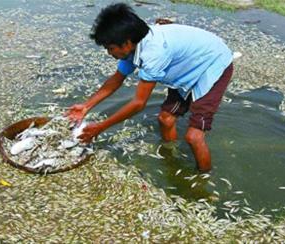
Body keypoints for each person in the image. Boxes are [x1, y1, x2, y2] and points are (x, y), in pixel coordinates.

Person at [66, 3, 234, 172]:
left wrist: (101, 127)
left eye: (110, 48)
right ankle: (171, 158)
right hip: (188, 67)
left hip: (213, 65)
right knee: (165, 119)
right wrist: (86, 106)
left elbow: (139, 103)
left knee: (194, 136)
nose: (109, 53)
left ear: (126, 43)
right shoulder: (135, 44)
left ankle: (202, 180)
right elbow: (116, 79)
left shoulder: (153, 54)